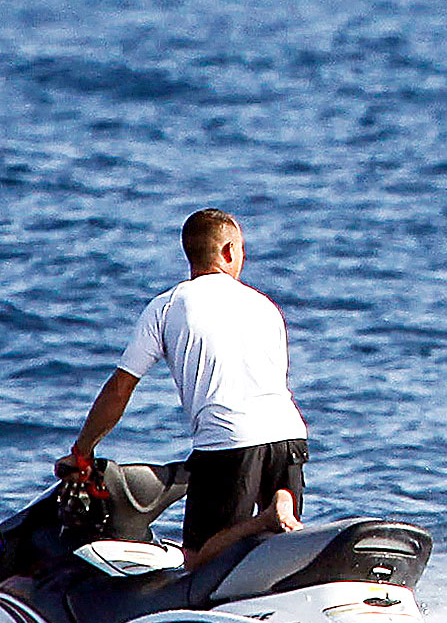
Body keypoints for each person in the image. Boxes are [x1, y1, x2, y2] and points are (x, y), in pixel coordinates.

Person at [59, 209, 308, 568]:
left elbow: (120, 388)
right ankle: (275, 519)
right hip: (289, 436)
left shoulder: (168, 306)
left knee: (197, 561)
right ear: (227, 252)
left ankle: (264, 518)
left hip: (228, 442)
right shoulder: (265, 306)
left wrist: (82, 450)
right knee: (275, 551)